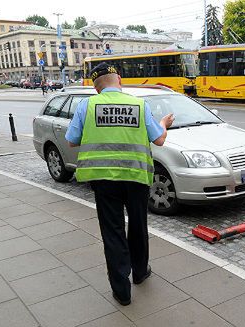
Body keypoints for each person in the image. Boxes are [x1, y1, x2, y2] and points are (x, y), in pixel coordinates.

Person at [65, 62, 174, 305]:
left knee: (112, 232)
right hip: (136, 178)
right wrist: (164, 124)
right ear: (120, 81)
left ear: (96, 88)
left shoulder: (87, 105)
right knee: (138, 226)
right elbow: (159, 140)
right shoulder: (139, 104)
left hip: (103, 180)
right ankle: (140, 272)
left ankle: (122, 291)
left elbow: (72, 141)